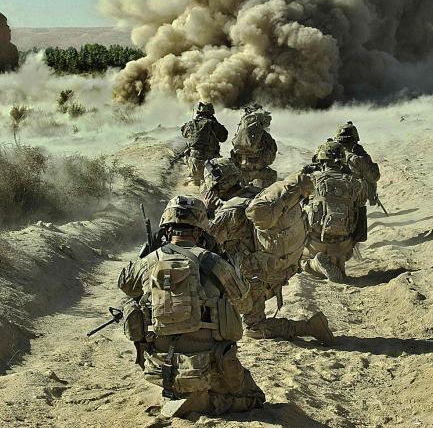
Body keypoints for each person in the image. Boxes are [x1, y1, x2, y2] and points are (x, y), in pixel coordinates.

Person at [117, 195, 265, 418]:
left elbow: (126, 285)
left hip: (160, 365)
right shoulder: (213, 261)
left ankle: (181, 397)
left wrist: (149, 251)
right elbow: (245, 303)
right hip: (213, 362)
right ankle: (204, 402)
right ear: (200, 230)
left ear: (166, 230)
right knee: (255, 399)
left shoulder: (150, 261)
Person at [230, 170, 334, 344]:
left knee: (253, 328)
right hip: (282, 268)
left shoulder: (263, 206)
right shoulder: (287, 201)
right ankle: (312, 264)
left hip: (259, 274)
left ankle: (309, 327)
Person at [301, 140, 367, 283]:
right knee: (339, 268)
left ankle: (314, 264)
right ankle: (337, 265)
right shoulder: (355, 183)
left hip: (314, 243)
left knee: (298, 262)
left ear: (321, 160)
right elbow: (361, 209)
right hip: (344, 245)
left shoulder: (311, 179)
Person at [335, 121, 381, 209]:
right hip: (353, 198)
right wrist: (366, 158)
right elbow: (374, 177)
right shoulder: (356, 158)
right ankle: (372, 199)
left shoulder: (331, 156)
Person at [230, 104, 278, 188]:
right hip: (259, 171)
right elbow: (272, 156)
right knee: (272, 175)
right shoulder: (265, 136)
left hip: (243, 172)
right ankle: (264, 193)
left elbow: (233, 153)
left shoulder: (240, 135)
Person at [181, 102, 229, 186]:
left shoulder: (191, 124)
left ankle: (193, 182)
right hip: (209, 163)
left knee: (195, 182)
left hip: (193, 162)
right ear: (211, 111)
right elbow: (223, 138)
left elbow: (184, 133)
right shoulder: (214, 124)